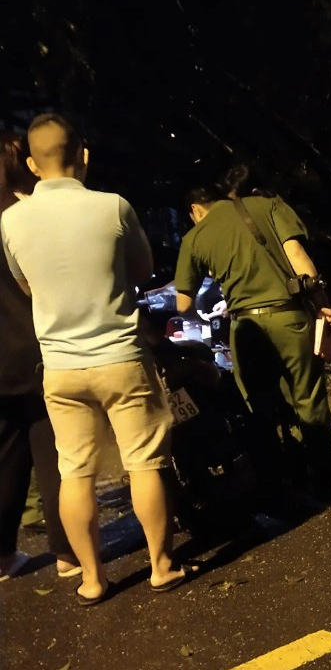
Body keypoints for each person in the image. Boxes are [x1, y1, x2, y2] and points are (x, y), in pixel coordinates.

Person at [1, 114, 194, 604]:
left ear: (30, 162)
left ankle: (91, 578)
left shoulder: (11, 221)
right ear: (83, 155)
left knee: (74, 472)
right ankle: (162, 566)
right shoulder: (114, 208)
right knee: (145, 464)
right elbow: (144, 270)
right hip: (121, 358)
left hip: (61, 368)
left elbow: (25, 283)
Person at [174, 169, 331, 505]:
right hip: (290, 318)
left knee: (259, 409)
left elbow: (183, 303)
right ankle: (325, 480)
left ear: (194, 210)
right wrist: (322, 305)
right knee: (308, 398)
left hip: (246, 330)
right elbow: (299, 260)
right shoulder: (266, 206)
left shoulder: (196, 237)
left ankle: (275, 487)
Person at [0, 130, 79, 582]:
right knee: (52, 450)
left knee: (5, 458)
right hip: (35, 348)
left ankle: (3, 556)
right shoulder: (28, 216)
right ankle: (68, 552)